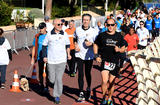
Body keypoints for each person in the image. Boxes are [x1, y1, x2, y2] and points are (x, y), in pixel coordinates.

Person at [93, 18, 126, 105]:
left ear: (115, 25)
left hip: (115, 61)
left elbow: (124, 47)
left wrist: (119, 50)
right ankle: (104, 98)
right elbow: (95, 44)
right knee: (104, 81)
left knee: (111, 82)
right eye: (108, 25)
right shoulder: (102, 35)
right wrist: (96, 56)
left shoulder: (119, 36)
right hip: (105, 61)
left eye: (112, 25)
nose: (110, 27)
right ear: (105, 25)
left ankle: (109, 98)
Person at [42, 19, 71, 104]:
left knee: (58, 79)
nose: (61, 26)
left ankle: (57, 96)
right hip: (51, 61)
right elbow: (44, 46)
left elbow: (68, 44)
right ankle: (57, 87)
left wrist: (68, 54)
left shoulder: (64, 33)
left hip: (62, 60)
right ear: (54, 25)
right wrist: (44, 56)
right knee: (51, 79)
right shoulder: (49, 34)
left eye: (62, 24)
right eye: (59, 24)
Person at [74, 13, 98, 102]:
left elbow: (97, 43)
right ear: (82, 20)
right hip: (79, 54)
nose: (85, 21)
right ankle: (81, 92)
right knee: (80, 73)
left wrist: (91, 44)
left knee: (87, 73)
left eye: (87, 20)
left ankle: (88, 88)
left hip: (89, 55)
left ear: (90, 21)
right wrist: (75, 45)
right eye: (84, 20)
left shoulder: (94, 31)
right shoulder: (77, 29)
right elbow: (74, 38)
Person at [31, 22, 49, 93]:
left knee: (48, 73)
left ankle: (47, 86)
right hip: (40, 58)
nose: (40, 30)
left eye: (42, 28)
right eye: (40, 28)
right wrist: (33, 58)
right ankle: (41, 85)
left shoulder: (49, 35)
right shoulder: (37, 36)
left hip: (48, 58)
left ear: (45, 28)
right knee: (41, 72)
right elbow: (34, 47)